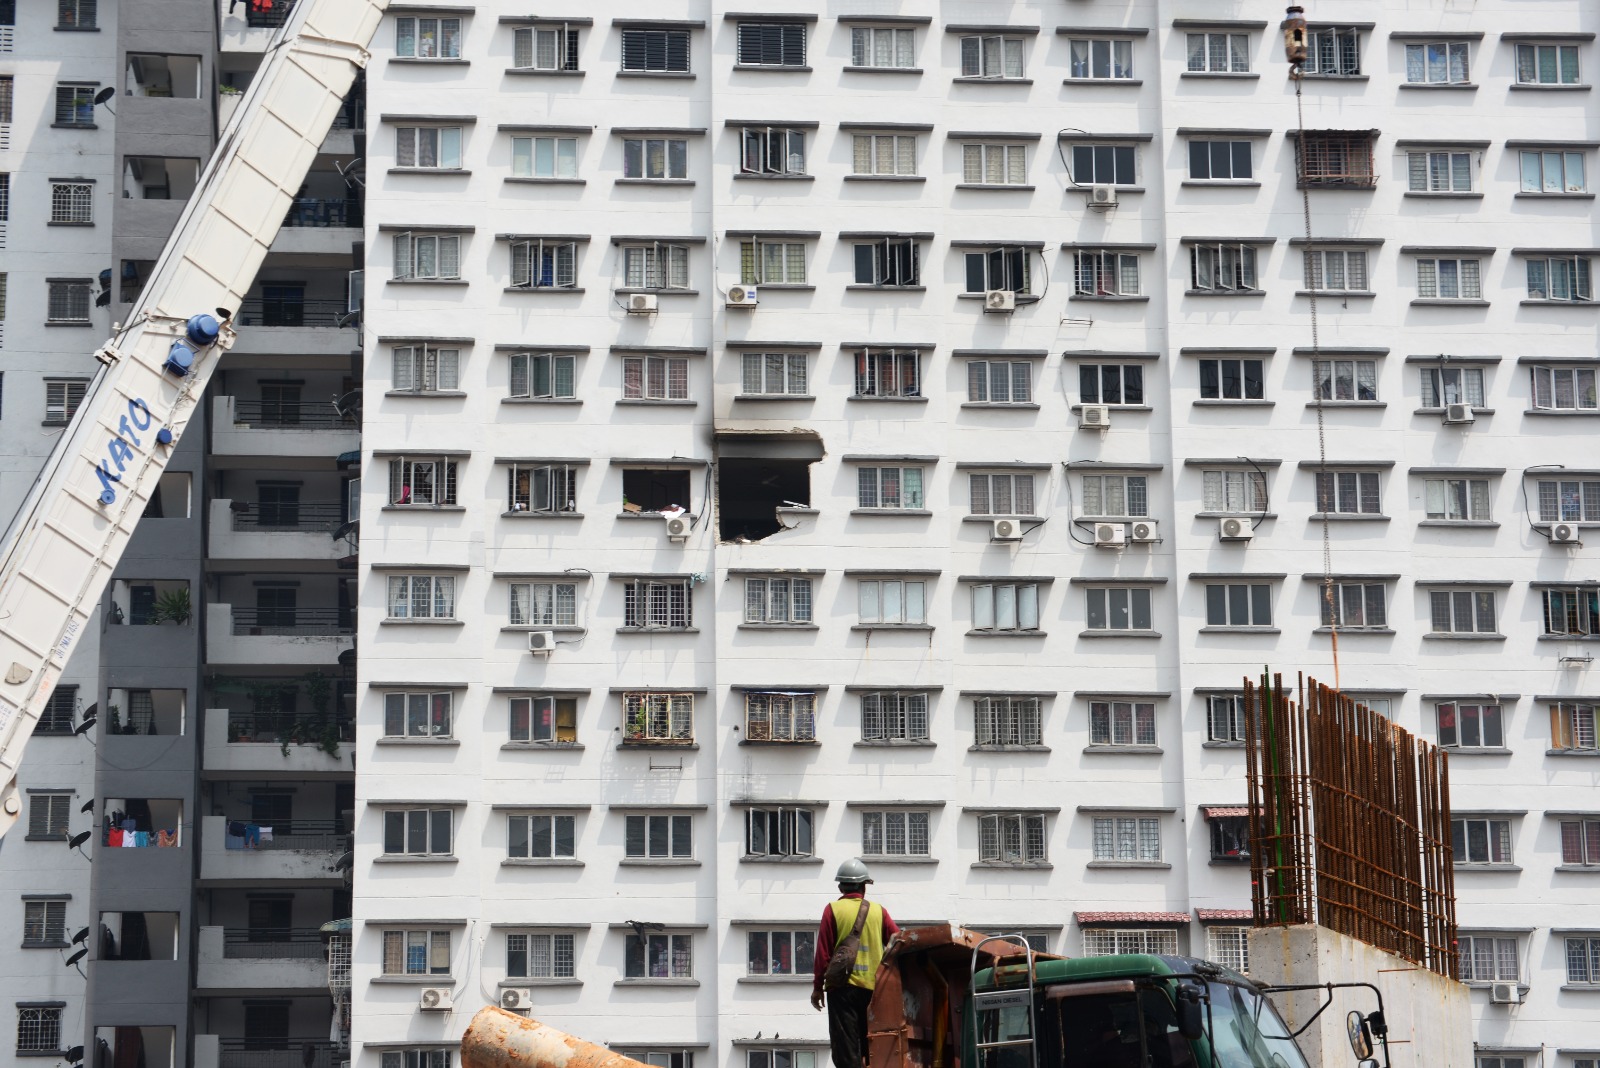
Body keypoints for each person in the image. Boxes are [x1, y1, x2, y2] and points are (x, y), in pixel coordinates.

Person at [810, 858, 899, 1068]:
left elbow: (823, 953)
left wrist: (817, 989)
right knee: (874, 1045)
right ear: (864, 886)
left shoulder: (832, 910)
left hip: (842, 990)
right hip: (874, 990)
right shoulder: (879, 912)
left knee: (846, 1049)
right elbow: (898, 943)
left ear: (840, 886)